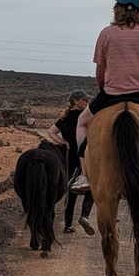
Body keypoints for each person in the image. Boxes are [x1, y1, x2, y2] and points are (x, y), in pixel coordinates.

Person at [69, 0, 139, 196]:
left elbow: (100, 71)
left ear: (116, 7)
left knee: (81, 122)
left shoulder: (106, 34)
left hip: (112, 95)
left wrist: (104, 87)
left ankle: (84, 173)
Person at [46, 90, 96, 234]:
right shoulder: (85, 117)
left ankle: (68, 226)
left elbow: (51, 132)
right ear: (76, 101)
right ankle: (84, 216)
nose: (87, 102)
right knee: (91, 188)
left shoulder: (64, 118)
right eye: (85, 100)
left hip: (69, 158)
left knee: (71, 193)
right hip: (85, 157)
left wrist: (63, 142)